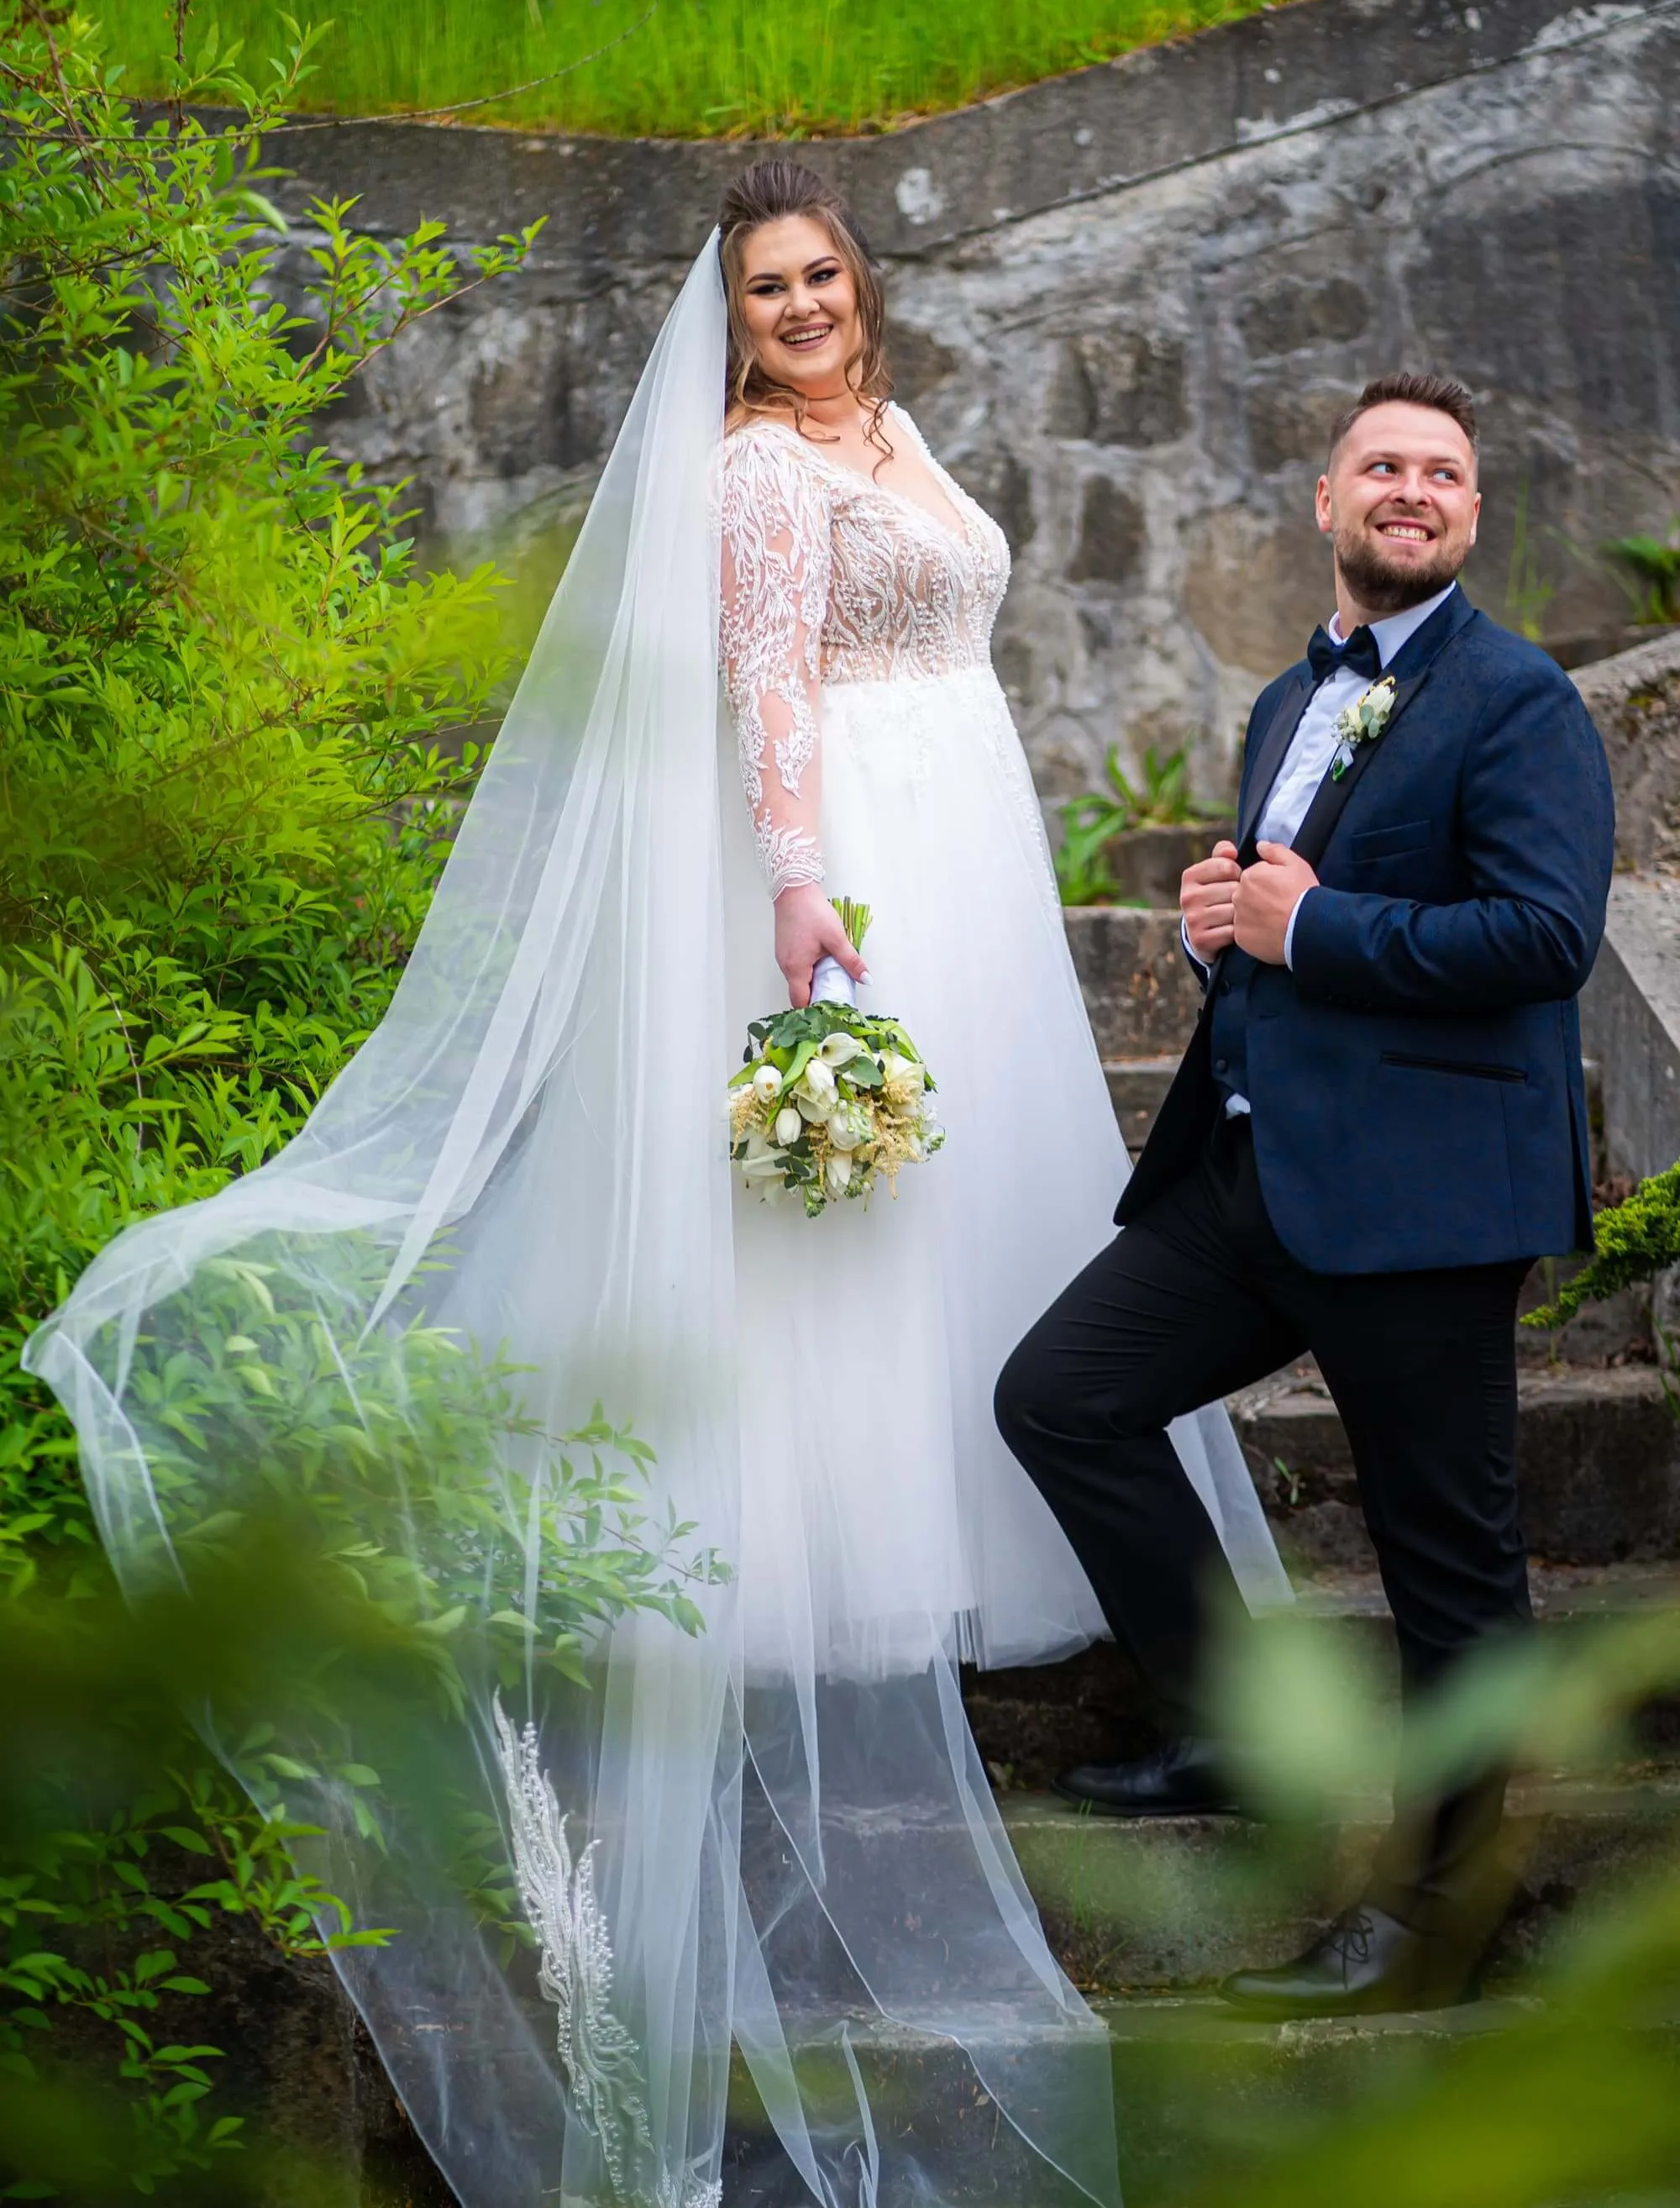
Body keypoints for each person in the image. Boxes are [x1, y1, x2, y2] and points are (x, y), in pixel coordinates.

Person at [28, 155, 1282, 2208]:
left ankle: (985, 1531)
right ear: (727, 314)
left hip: (967, 859)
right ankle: (839, 1556)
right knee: (847, 1238)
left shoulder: (878, 428)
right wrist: (803, 893)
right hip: (860, 869)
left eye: (820, 273)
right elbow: (768, 689)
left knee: (974, 1240)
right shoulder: (757, 476)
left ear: (861, 284)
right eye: (764, 287)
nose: (798, 305)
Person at [995, 371, 1616, 2017]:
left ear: (1469, 516)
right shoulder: (1291, 701)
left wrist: (1310, 929)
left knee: (1452, 1579)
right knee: (1061, 1396)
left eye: (1443, 473)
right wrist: (1227, 917)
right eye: (1380, 466)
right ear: (1324, 504)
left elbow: (1545, 937)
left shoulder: (1520, 703)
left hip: (1420, 1206)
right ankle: (1230, 1727)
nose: (1411, 489)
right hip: (1250, 1176)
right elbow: (1287, 902)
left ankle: (1445, 1927)